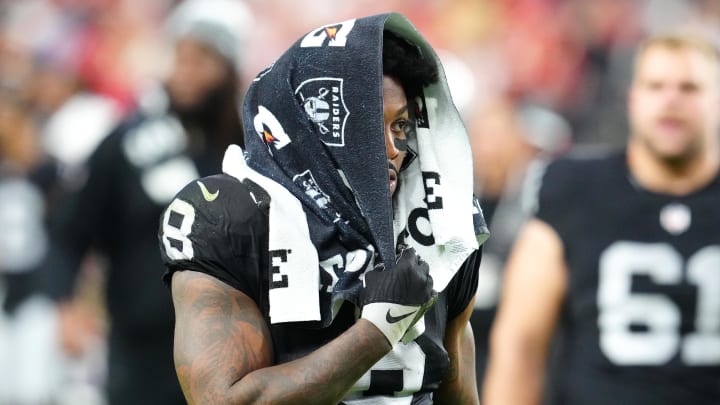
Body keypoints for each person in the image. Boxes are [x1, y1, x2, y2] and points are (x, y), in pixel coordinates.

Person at [159, 13, 488, 404]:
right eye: (367, 128)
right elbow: (223, 401)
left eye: (400, 126)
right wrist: (379, 329)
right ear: (312, 127)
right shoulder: (229, 216)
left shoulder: (441, 215)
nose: (390, 149)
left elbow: (458, 387)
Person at [483, 33, 720, 405]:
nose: (671, 100)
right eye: (655, 86)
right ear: (633, 98)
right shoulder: (575, 189)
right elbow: (520, 342)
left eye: (690, 88)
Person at [43, 0, 251, 404]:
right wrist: (66, 306)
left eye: (204, 58)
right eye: (181, 55)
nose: (186, 71)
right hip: (139, 353)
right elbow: (70, 229)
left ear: (229, 68)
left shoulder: (250, 150)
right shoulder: (128, 143)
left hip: (228, 350)